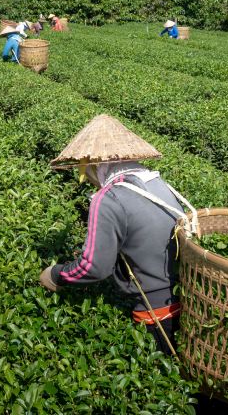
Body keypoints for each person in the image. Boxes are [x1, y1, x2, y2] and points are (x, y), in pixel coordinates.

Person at [39, 114, 195, 356]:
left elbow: (93, 268)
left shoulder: (109, 198)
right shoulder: (158, 183)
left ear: (93, 164)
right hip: (185, 297)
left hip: (153, 313)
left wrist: (56, 275)